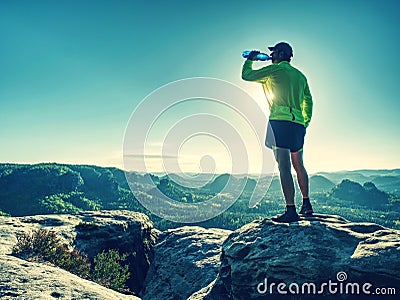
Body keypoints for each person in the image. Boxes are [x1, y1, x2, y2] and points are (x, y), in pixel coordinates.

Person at [242, 42, 314, 222]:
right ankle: (306, 204)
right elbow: (309, 101)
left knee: (284, 166)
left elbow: (247, 75)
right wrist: (304, 121)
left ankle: (291, 210)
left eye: (273, 53)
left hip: (280, 122)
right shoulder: (301, 76)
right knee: (299, 164)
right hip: (297, 124)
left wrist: (250, 59)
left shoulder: (274, 71)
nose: (271, 56)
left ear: (281, 54)